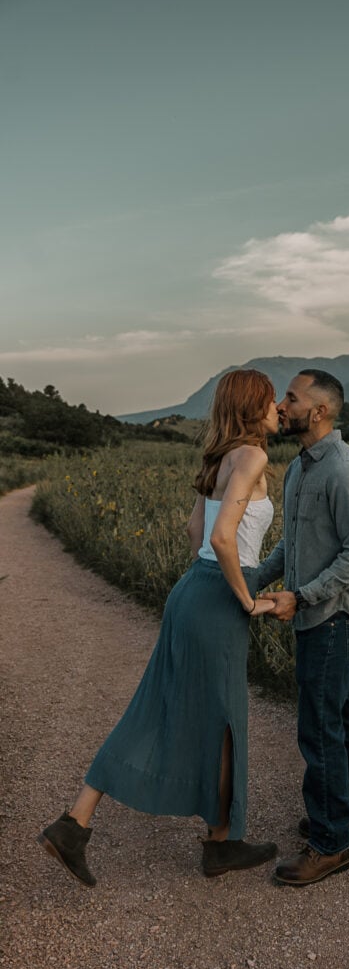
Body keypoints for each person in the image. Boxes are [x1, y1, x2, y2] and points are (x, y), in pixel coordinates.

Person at [38, 369, 280, 886]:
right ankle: (219, 843)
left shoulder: (218, 458)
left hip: (192, 590)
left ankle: (79, 823)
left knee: (165, 707)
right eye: (271, 398)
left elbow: (194, 529)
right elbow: (219, 537)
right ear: (252, 405)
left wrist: (211, 583)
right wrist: (247, 598)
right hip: (218, 597)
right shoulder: (254, 456)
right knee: (222, 718)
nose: (278, 406)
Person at [254, 369, 349, 886]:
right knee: (342, 713)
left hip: (335, 615)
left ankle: (330, 843)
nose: (281, 406)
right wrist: (250, 579)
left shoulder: (345, 471)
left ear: (320, 410)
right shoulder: (300, 468)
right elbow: (292, 544)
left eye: (291, 398)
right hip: (313, 609)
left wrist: (300, 597)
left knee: (318, 724)